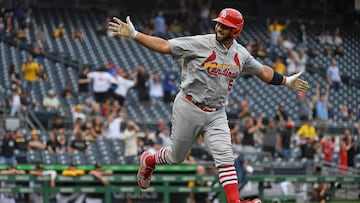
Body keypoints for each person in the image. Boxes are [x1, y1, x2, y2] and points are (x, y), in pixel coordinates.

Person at [109, 8, 308, 203]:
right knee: (176, 157)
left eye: (225, 25)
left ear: (235, 31)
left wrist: (286, 81)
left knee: (225, 157)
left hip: (216, 112)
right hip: (189, 106)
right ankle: (149, 160)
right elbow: (164, 46)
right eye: (219, 23)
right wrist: (134, 34)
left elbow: (262, 72)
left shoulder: (241, 54)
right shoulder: (200, 43)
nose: (219, 27)